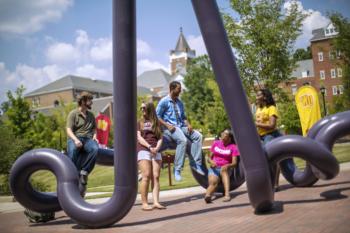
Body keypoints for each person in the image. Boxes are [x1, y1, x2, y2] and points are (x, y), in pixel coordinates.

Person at [156, 81, 205, 182]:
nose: (180, 90)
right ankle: (177, 169)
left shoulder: (180, 102)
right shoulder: (164, 101)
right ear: (172, 89)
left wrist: (188, 124)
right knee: (183, 141)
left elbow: (183, 117)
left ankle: (195, 162)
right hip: (170, 128)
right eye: (179, 88)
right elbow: (157, 116)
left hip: (181, 126)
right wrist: (167, 125)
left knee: (198, 136)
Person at [255, 88, 292, 191]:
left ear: (265, 97)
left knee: (272, 159)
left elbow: (272, 125)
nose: (256, 97)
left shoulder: (271, 108)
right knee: (262, 161)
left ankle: (275, 184)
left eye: (258, 95)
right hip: (260, 137)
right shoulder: (258, 109)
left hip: (270, 135)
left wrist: (257, 124)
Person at [66, 91, 99, 197]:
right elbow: (68, 130)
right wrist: (75, 140)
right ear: (83, 101)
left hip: (88, 139)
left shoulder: (91, 115)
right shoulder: (73, 114)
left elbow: (94, 129)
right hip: (75, 137)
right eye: (90, 101)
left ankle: (84, 171)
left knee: (95, 149)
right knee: (72, 151)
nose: (92, 103)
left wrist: (94, 136)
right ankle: (73, 177)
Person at [137, 102, 166, 210]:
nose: (142, 110)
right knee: (146, 175)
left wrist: (157, 148)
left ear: (149, 109)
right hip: (144, 149)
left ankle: (156, 202)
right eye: (141, 108)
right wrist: (149, 147)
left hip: (156, 150)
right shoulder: (139, 122)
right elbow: (139, 138)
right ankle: (144, 204)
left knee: (156, 176)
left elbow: (160, 138)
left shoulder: (157, 122)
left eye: (144, 108)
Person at [204, 129, 239, 203]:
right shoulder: (216, 143)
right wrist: (211, 162)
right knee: (213, 182)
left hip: (226, 168)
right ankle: (208, 196)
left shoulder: (233, 147)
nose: (223, 135)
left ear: (229, 138)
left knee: (223, 169)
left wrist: (228, 165)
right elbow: (209, 158)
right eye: (222, 134)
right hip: (214, 167)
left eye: (225, 135)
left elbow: (234, 163)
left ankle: (227, 195)